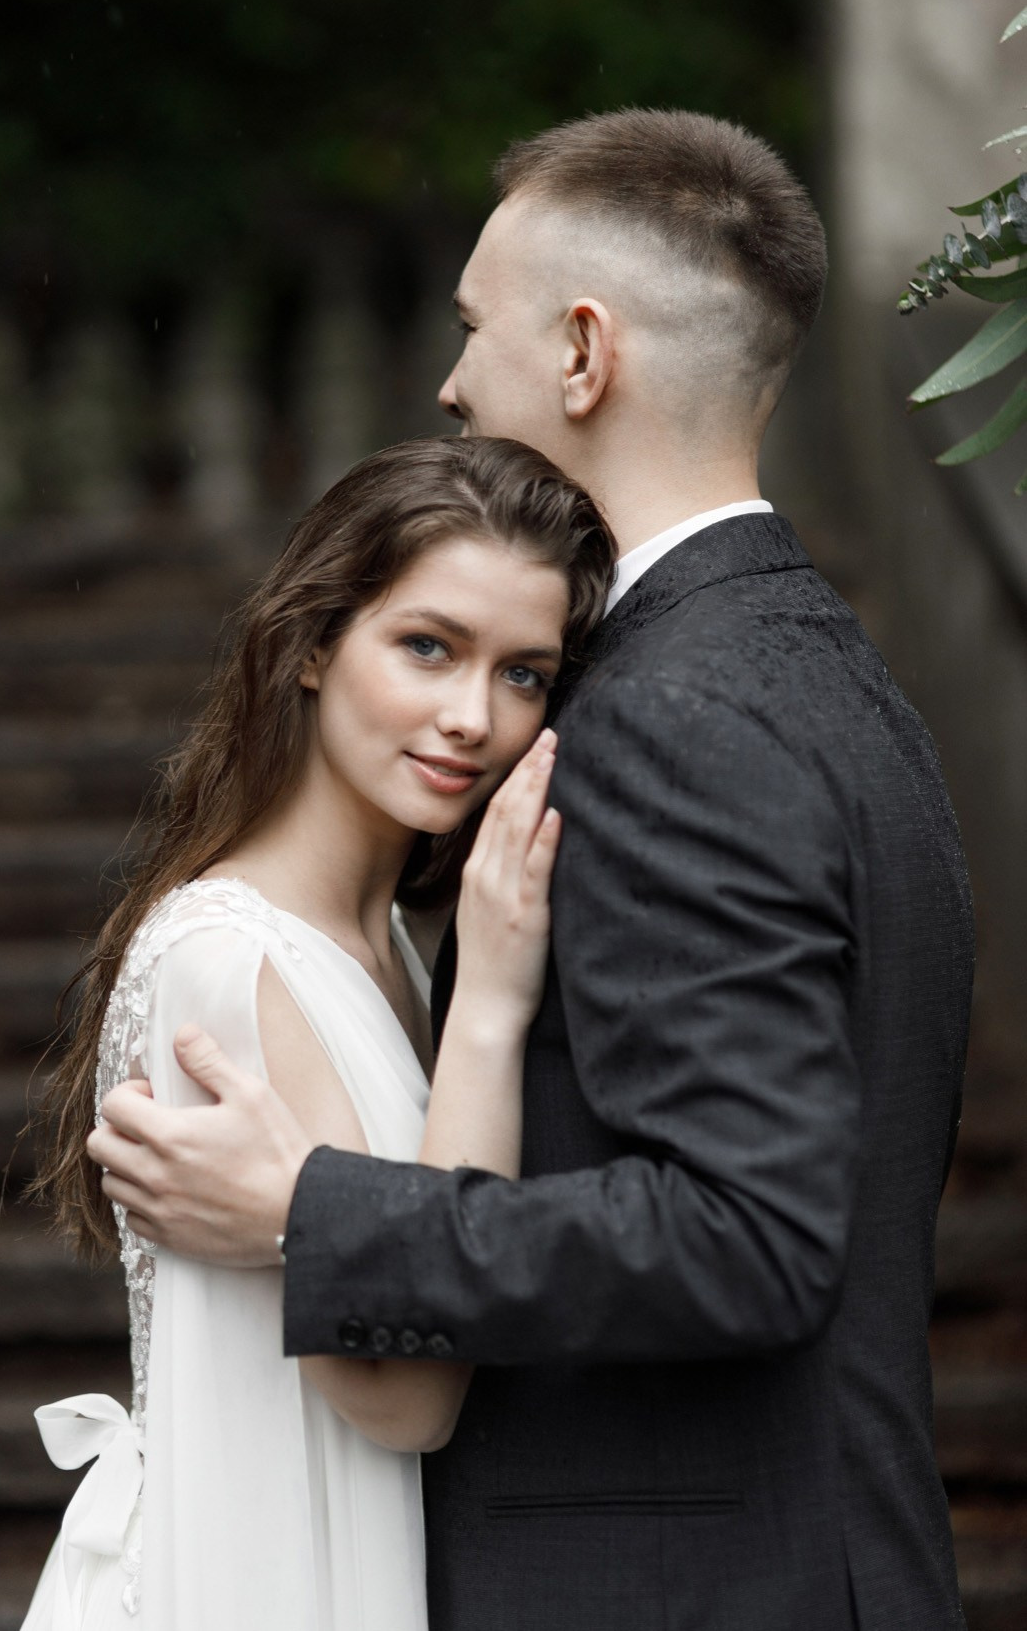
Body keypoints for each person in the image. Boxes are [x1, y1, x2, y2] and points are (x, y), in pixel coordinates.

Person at [91, 109, 974, 1631]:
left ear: (581, 353)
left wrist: (317, 1210)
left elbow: (749, 1236)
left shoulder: (671, 718)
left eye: (469, 327)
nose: (447, 382)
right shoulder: (832, 677)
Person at [19, 434, 615, 1629]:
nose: (470, 718)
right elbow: (406, 1403)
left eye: (523, 673)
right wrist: (492, 1007)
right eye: (428, 647)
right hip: (262, 1569)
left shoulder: (385, 943)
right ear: (311, 644)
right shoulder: (232, 960)